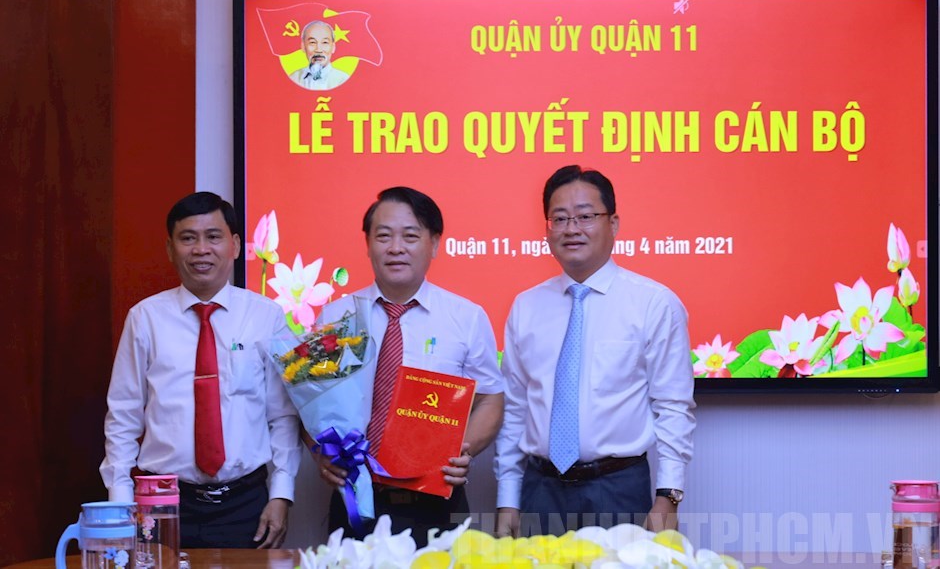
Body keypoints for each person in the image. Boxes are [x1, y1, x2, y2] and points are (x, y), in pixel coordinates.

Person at [494, 165, 695, 537]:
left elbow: (673, 406)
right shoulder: (526, 306)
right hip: (540, 490)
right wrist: (508, 498)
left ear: (613, 224)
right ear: (548, 229)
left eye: (585, 216)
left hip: (617, 489)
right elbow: (515, 409)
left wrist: (668, 496)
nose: (572, 229)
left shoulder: (653, 303)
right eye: (560, 218)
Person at [100, 192, 303, 548]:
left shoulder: (266, 316)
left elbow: (282, 416)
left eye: (213, 237)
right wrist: (120, 501)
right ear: (170, 248)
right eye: (188, 238)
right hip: (160, 502)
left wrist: (281, 493)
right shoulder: (145, 318)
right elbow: (123, 416)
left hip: (246, 505)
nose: (201, 249)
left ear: (235, 245)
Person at [315, 186, 504, 547]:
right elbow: (310, 402)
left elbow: (491, 398)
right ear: (367, 243)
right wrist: (320, 453)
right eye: (383, 236)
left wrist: (463, 449)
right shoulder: (335, 318)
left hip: (437, 502)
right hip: (356, 501)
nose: (396, 247)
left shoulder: (465, 317)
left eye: (410, 236)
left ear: (434, 244)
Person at [289, 20, 351, 90]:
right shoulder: (294, 78)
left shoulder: (343, 80)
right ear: (303, 46)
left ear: (333, 47)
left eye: (325, 42)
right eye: (312, 42)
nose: (318, 50)